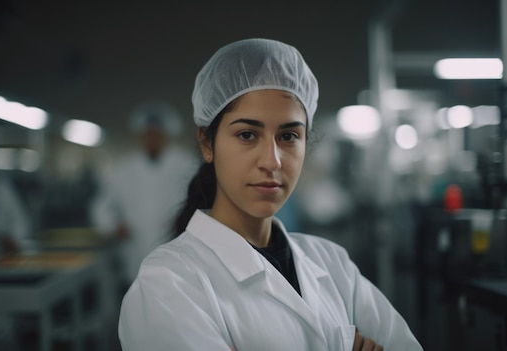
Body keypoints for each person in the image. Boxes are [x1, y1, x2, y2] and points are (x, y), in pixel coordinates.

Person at [118, 38, 423, 351]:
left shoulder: (333, 264)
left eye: (289, 136)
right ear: (207, 143)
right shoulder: (169, 284)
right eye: (247, 135)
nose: (272, 161)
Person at [90, 101, 199, 285]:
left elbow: (202, 201)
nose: (152, 138)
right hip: (135, 250)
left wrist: (188, 220)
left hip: (178, 247)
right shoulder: (124, 169)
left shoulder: (187, 164)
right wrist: (113, 225)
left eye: (157, 134)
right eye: (148, 134)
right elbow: (101, 206)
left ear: (167, 135)